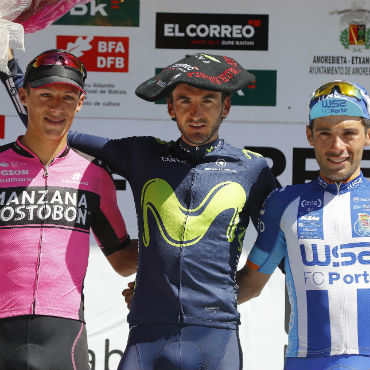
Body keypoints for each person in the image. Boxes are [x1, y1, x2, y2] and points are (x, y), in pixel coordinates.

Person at [3, 52, 276, 370]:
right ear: (171, 108)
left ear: (225, 106)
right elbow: (51, 127)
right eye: (184, 100)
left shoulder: (252, 168)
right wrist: (12, 71)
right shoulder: (144, 154)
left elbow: (278, 239)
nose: (196, 111)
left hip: (215, 337)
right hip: (147, 336)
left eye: (209, 100)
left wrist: (219, 297)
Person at [0, 49, 138, 370]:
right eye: (45, 94)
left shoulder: (95, 175)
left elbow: (121, 260)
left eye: (67, 97)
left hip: (63, 336)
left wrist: (173, 245)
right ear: (23, 96)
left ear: (80, 102)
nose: (55, 106)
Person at [237, 80, 370, 370]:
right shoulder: (282, 203)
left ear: (367, 136)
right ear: (309, 136)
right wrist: (171, 300)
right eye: (325, 133)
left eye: (349, 133)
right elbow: (250, 283)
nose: (338, 146)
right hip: (307, 362)